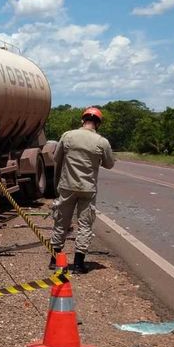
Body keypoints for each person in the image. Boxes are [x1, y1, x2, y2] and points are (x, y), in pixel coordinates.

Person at [49, 107, 115, 273]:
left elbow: (56, 158)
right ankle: (78, 264)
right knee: (84, 225)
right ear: (98, 124)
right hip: (88, 189)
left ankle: (54, 260)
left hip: (67, 186)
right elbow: (109, 164)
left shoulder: (68, 136)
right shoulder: (102, 142)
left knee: (61, 222)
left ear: (82, 120)